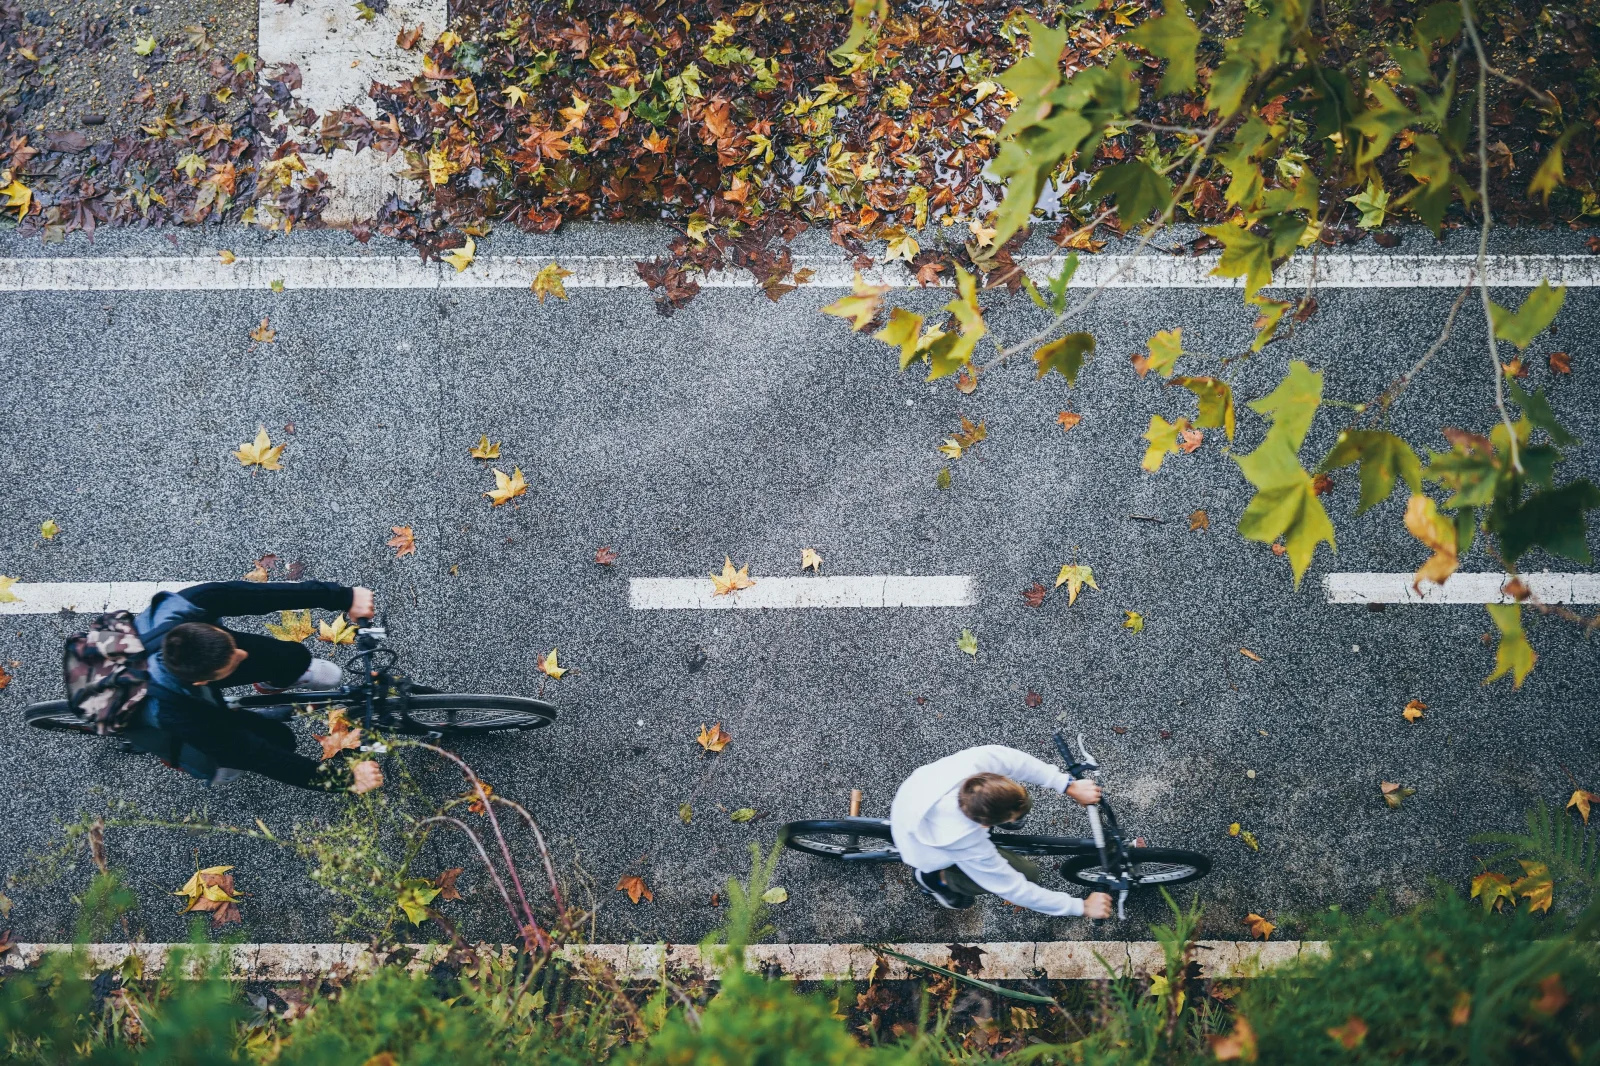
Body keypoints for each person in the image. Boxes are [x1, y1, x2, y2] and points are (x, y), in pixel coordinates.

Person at [126, 580, 376, 789]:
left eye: (230, 646)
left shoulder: (189, 605)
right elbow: (262, 758)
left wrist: (345, 597)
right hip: (168, 707)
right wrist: (346, 780)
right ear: (201, 681)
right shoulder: (177, 714)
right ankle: (220, 762)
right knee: (278, 742)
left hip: (179, 672)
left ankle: (271, 683)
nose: (242, 655)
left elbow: (260, 596)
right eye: (231, 663)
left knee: (292, 657)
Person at [890, 744, 1113, 918]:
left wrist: (1067, 785)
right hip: (926, 850)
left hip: (913, 795)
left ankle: (1008, 811)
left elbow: (1014, 761)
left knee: (1023, 800)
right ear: (984, 825)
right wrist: (1081, 906)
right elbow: (1013, 889)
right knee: (1028, 874)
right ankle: (938, 880)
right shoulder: (965, 842)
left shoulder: (977, 766)